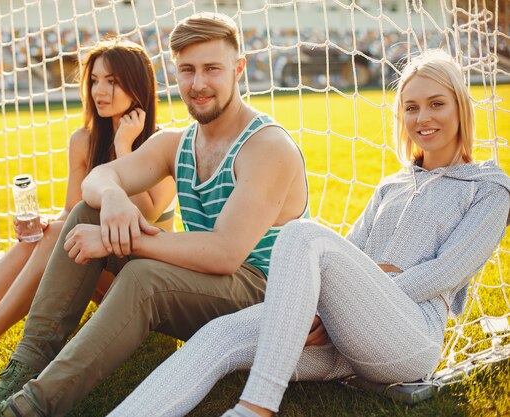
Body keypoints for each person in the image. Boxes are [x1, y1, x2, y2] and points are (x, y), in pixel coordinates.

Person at [107, 49, 510, 417]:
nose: (423, 118)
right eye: (411, 108)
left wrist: (367, 289)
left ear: (461, 107)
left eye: (436, 104)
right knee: (221, 334)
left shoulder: (488, 186)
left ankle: (255, 407)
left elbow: (445, 273)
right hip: (342, 336)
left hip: (408, 339)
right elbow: (351, 250)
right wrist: (323, 307)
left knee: (301, 234)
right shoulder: (392, 184)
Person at [0, 12, 309, 417]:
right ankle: (10, 384)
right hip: (209, 284)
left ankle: (27, 409)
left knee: (143, 278)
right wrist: (115, 197)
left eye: (212, 69)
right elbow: (98, 180)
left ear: (238, 69)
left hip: (264, 293)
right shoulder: (177, 143)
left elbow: (225, 253)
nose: (198, 83)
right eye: (187, 70)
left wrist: (119, 239)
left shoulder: (266, 147)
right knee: (88, 211)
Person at [0, 39, 176, 392]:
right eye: (95, 80)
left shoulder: (163, 146)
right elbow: (73, 212)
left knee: (55, 236)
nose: (100, 90)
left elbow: (146, 211)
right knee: (40, 237)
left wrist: (123, 148)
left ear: (138, 84)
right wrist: (45, 225)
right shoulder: (83, 141)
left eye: (112, 81)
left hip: (137, 282)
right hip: (91, 265)